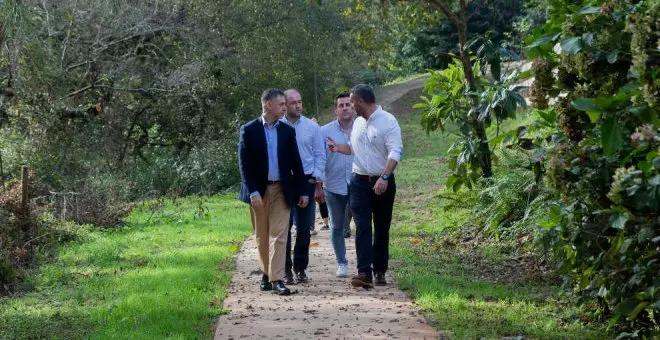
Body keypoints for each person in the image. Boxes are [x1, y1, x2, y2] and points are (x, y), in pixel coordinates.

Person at [327, 84, 403, 288]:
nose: (350, 106)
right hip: (358, 181)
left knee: (381, 227)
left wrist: (384, 178)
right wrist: (338, 148)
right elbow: (354, 148)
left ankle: (379, 271)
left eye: (352, 102)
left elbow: (395, 151)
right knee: (361, 226)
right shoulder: (358, 123)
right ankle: (364, 272)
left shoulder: (388, 122)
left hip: (383, 182)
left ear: (361, 101)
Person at [238, 88, 309, 296]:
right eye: (281, 105)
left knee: (279, 234)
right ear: (268, 105)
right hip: (258, 191)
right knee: (262, 234)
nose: (285, 108)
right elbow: (244, 165)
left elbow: (297, 162)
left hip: (282, 189)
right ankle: (266, 273)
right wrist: (252, 192)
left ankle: (277, 278)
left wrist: (304, 191)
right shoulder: (249, 130)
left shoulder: (287, 131)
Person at [282, 89, 326, 285]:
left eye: (300, 101)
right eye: (293, 102)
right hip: (284, 181)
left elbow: (320, 155)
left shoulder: (311, 127)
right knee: (284, 226)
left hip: (306, 180)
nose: (298, 105)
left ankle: (300, 268)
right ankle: (285, 269)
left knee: (303, 228)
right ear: (284, 104)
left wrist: (315, 181)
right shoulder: (277, 126)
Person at [320, 92, 355, 277]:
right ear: (336, 110)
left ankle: (366, 263)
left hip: (359, 184)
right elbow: (319, 158)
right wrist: (318, 184)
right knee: (337, 226)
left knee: (363, 224)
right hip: (333, 185)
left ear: (353, 107)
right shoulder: (324, 132)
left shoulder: (362, 128)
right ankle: (341, 262)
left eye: (348, 104)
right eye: (341, 105)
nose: (345, 108)